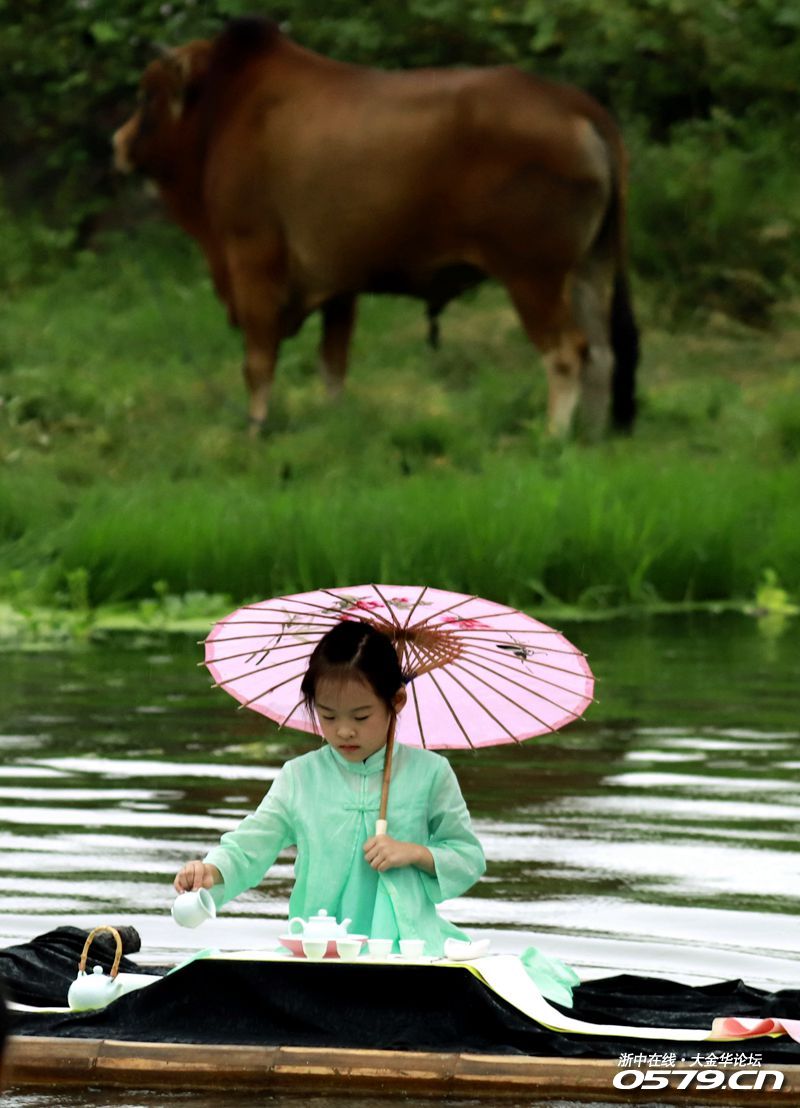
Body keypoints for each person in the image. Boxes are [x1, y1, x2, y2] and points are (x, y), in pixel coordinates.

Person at [174, 619, 486, 954]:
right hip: (316, 946)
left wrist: (413, 852)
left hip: (404, 946)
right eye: (329, 716)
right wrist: (212, 870)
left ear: (396, 701)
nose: (344, 732)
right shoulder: (301, 777)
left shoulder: (430, 774)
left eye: (361, 717)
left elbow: (467, 857)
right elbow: (250, 846)